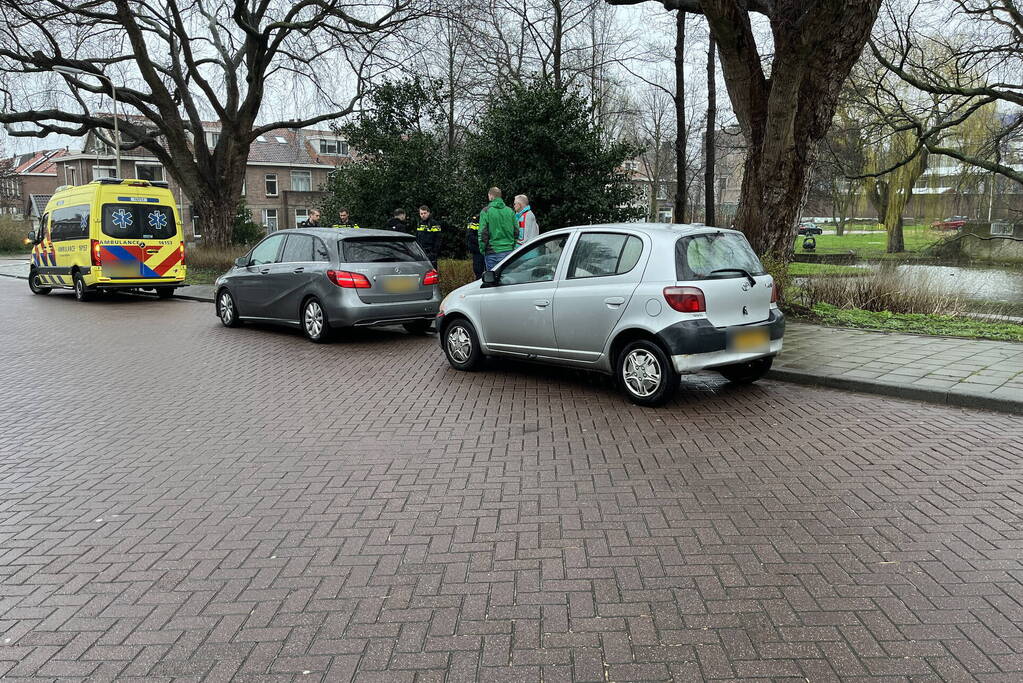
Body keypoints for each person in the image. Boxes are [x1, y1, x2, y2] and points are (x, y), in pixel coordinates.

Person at [478, 187, 516, 270]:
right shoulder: (510, 211)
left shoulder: (485, 211)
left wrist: (482, 249)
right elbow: (516, 231)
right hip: (509, 250)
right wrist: (512, 245)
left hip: (492, 252)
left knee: (493, 279)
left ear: (491, 196)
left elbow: (482, 233)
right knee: (509, 279)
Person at [465, 208, 486, 279]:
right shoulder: (475, 220)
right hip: (478, 250)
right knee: (479, 272)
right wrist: (482, 242)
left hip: (488, 250)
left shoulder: (489, 219)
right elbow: (470, 236)